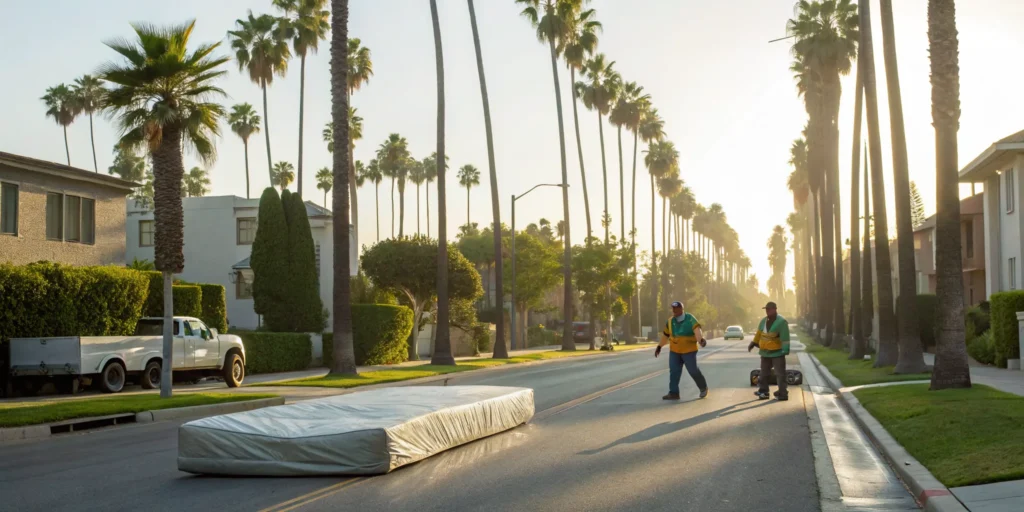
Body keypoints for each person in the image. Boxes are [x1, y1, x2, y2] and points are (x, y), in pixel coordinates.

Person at [655, 301, 709, 400]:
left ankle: (703, 388)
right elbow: (665, 335)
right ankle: (674, 393)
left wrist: (700, 340)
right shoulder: (670, 321)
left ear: (682, 309)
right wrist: (659, 346)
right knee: (674, 371)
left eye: (676, 308)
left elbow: (697, 330)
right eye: (673, 308)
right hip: (675, 351)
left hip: (689, 350)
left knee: (693, 371)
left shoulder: (690, 318)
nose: (674, 310)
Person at [748, 301, 791, 401]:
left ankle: (783, 393)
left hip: (777, 352)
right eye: (766, 309)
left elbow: (785, 337)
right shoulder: (763, 321)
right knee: (763, 373)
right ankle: (764, 392)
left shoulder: (781, 322)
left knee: (780, 374)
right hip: (765, 352)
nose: (767, 311)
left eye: (769, 309)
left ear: (775, 310)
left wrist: (785, 350)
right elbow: (758, 334)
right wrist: (753, 343)